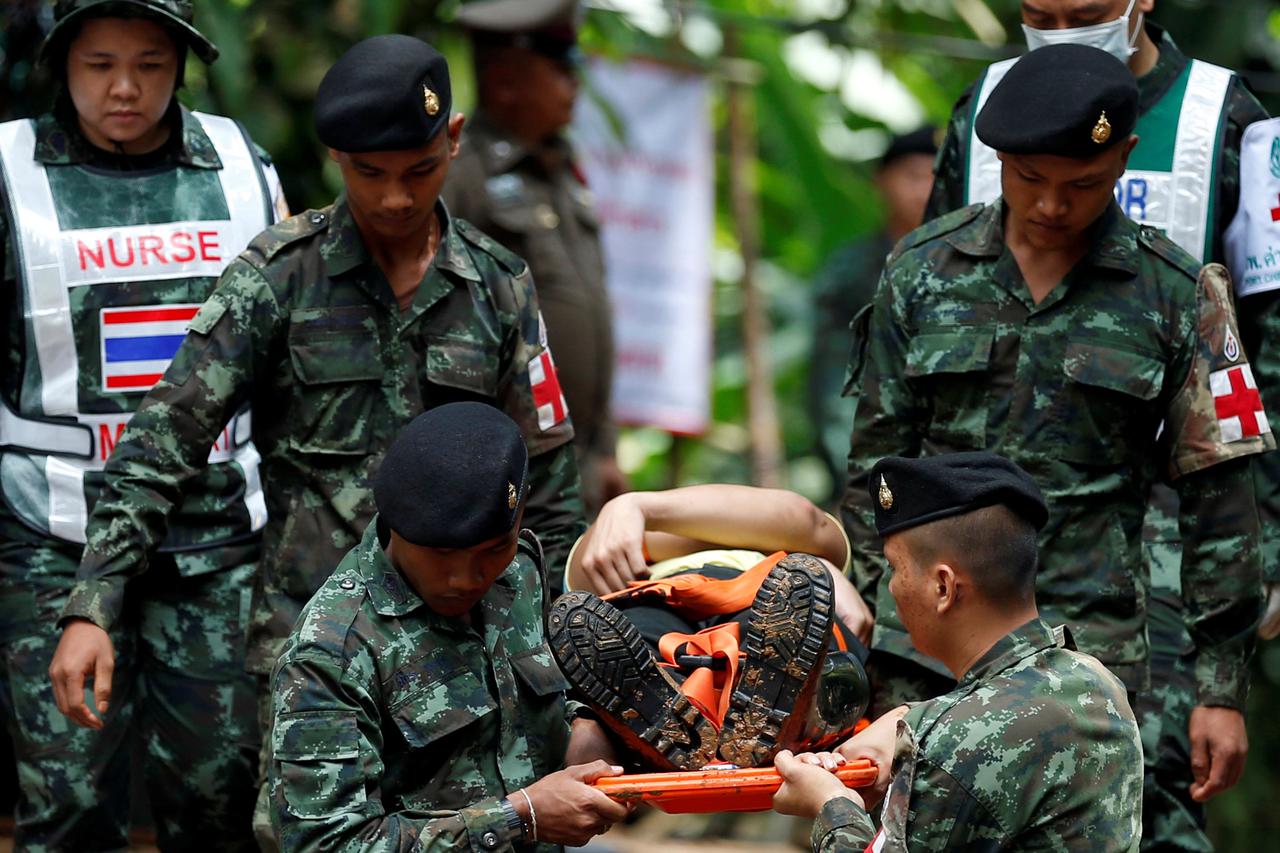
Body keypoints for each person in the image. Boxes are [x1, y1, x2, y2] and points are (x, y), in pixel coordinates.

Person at [47, 33, 586, 768]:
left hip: (469, 659)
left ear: (453, 140)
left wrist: (560, 651)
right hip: (316, 653)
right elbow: (163, 440)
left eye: (419, 170)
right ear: (335, 158)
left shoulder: (498, 288)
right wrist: (95, 602)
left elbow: (550, 489)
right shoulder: (277, 278)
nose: (395, 197)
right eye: (370, 173)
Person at [840, 41, 1271, 827]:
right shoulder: (921, 271)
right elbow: (875, 470)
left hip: (1085, 656)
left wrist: (1218, 690)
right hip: (921, 652)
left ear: (1125, 159)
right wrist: (869, 631)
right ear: (998, 158)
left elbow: (1223, 504)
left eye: (1082, 185)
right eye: (1029, 178)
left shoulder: (1175, 294)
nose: (1050, 206)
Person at [0, 0, 285, 846]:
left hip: (215, 537)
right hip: (50, 526)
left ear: (184, 63)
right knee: (69, 796)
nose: (125, 88)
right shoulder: (9, 167)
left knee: (220, 792)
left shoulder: (241, 167)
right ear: (62, 63)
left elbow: (284, 352)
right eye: (99, 65)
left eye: (151, 64)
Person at [268, 402, 628, 850]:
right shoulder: (333, 650)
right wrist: (520, 817)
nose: (467, 579)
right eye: (440, 555)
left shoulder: (518, 574)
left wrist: (581, 729)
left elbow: (527, 712)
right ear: (396, 527)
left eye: (493, 549)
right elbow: (323, 844)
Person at [775, 452, 1143, 851]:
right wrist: (908, 717)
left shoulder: (954, 746)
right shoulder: (1098, 683)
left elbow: (976, 737)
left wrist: (832, 805)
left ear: (944, 588)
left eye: (895, 568)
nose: (891, 588)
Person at [444, 0, 625, 514]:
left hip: (579, 461)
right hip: (507, 463)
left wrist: (605, 448)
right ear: (504, 82)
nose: (575, 84)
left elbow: (593, 311)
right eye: (560, 70)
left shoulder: (564, 171)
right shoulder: (463, 178)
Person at [551, 485, 874, 770]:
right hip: (742, 596)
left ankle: (672, 728)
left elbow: (804, 519)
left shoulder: (804, 576)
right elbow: (805, 520)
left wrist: (632, 508)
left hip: (657, 602)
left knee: (644, 654)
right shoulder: (805, 564)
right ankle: (783, 722)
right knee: (804, 657)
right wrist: (632, 508)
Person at [809, 126, 937, 499]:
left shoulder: (970, 267)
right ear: (881, 181)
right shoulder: (850, 271)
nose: (924, 190)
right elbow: (835, 382)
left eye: (934, 178)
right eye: (912, 176)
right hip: (873, 467)